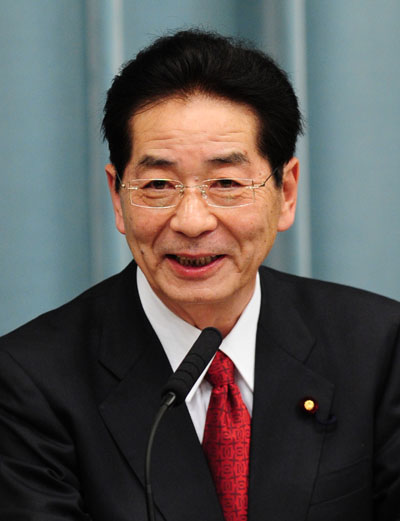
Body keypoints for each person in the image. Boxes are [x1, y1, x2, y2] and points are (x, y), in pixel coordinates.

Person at [0, 29, 399, 521]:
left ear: (287, 192)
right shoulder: (29, 382)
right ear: (117, 197)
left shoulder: (377, 348)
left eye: (227, 183)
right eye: (159, 184)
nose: (191, 220)